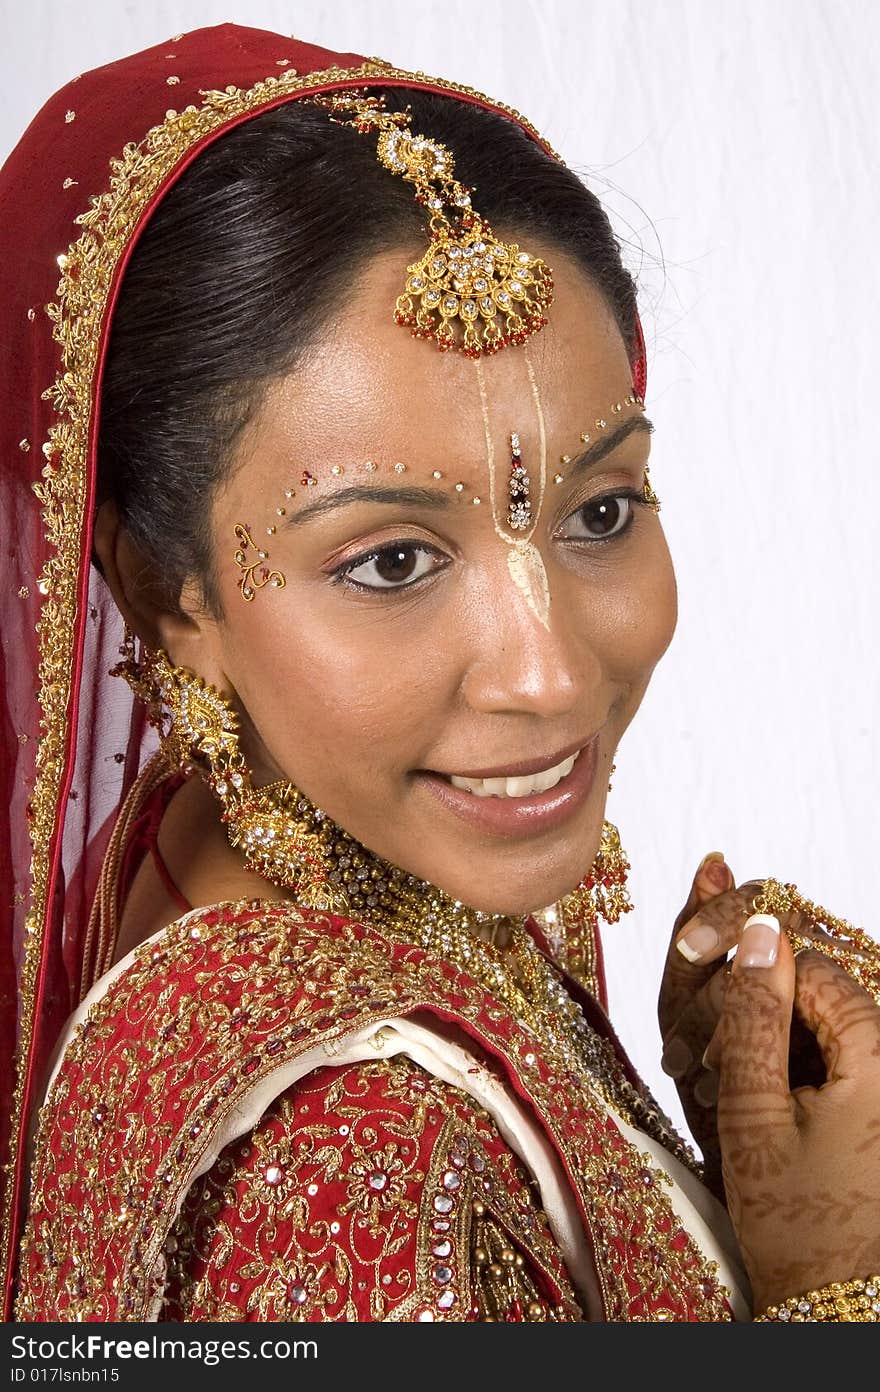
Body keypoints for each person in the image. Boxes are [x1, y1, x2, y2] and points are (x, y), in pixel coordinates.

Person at [1, 22, 878, 1325]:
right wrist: (837, 1285)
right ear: (157, 589)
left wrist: (706, 1174)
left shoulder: (312, 858)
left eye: (598, 514)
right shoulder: (347, 1134)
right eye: (394, 560)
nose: (548, 675)